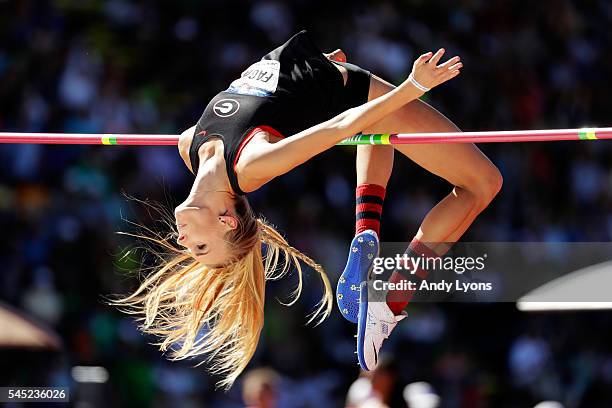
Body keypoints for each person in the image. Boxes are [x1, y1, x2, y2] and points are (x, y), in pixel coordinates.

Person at [112, 29, 471, 388]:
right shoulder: (251, 166)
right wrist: (412, 86)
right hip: (349, 95)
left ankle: (367, 233)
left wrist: (311, 68)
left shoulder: (187, 144)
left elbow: (260, 97)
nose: (183, 240)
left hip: (326, 76)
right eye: (200, 247)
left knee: (378, 129)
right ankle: (389, 301)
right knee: (481, 185)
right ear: (227, 221)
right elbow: (341, 126)